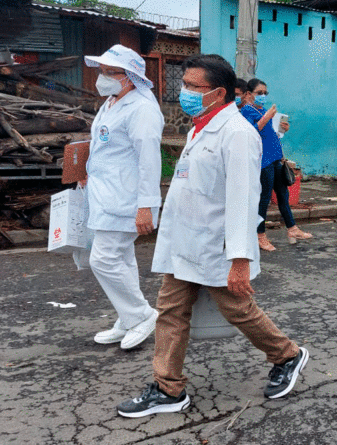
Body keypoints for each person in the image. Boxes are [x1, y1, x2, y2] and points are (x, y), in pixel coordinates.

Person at [117, 54, 308, 418]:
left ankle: (288, 355)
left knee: (238, 310)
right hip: (183, 242)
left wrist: (239, 260)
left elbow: (243, 200)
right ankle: (168, 388)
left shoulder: (237, 134)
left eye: (192, 86)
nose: (184, 91)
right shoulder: (198, 127)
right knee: (170, 312)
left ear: (219, 92)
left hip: (216, 246)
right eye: (183, 84)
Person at [82, 44, 163, 350]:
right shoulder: (114, 101)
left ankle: (141, 315)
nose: (102, 78)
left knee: (102, 259)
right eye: (101, 71)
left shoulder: (142, 108)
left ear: (130, 76)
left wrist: (146, 206)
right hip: (106, 194)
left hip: (126, 199)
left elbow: (148, 160)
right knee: (121, 259)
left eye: (110, 72)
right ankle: (127, 317)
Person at [240, 78, 311, 251]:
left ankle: (292, 229)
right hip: (263, 161)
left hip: (276, 158)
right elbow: (252, 132)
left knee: (282, 195)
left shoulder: (263, 110)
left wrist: (282, 129)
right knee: (264, 199)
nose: (263, 96)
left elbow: (271, 135)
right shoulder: (246, 112)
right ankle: (260, 235)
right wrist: (267, 117)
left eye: (265, 93)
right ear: (249, 94)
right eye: (259, 93)